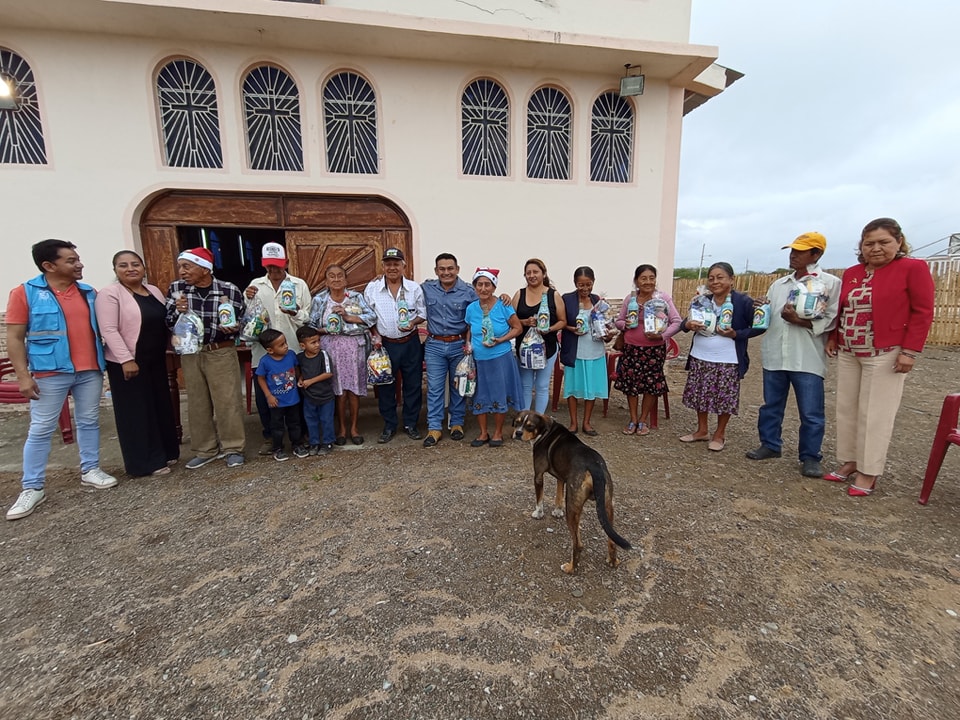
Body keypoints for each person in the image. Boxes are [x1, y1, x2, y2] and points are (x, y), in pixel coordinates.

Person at [5, 240, 117, 521]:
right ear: (49, 265)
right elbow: (14, 338)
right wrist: (23, 376)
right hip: (50, 372)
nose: (79, 264)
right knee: (41, 428)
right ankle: (32, 487)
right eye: (71, 260)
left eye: (77, 259)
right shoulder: (25, 293)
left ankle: (90, 469)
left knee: (89, 420)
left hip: (89, 370)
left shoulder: (88, 293)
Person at [824, 218, 935, 496]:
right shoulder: (853, 273)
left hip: (885, 351)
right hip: (850, 349)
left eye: (883, 242)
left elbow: (922, 312)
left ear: (899, 242)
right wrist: (834, 336)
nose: (875, 248)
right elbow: (844, 308)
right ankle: (850, 460)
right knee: (847, 408)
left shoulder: (912, 268)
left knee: (875, 412)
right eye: (869, 243)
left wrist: (910, 351)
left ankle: (868, 470)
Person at [745, 233, 841, 478]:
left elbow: (832, 320)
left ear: (816, 254)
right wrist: (761, 308)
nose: (793, 255)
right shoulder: (779, 285)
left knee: (811, 412)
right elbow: (769, 317)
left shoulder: (830, 284)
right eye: (792, 250)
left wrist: (799, 321)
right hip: (776, 353)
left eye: (800, 251)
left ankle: (810, 456)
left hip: (806, 356)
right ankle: (770, 444)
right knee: (771, 405)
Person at [94, 250, 180, 477]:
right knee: (137, 411)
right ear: (115, 270)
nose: (130, 269)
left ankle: (166, 451)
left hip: (156, 358)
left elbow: (164, 321)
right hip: (129, 361)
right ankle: (145, 462)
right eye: (123, 265)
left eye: (135, 264)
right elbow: (109, 330)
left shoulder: (153, 291)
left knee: (159, 406)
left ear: (143, 268)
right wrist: (126, 359)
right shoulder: (110, 294)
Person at [165, 247, 247, 469]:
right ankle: (205, 449)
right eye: (180, 267)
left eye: (187, 266)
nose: (182, 271)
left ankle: (233, 448)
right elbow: (168, 321)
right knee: (197, 401)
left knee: (228, 401)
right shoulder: (177, 289)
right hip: (191, 353)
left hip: (220, 351)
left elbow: (243, 320)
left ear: (205, 269)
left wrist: (234, 328)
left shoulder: (228, 289)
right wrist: (177, 311)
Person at [678, 262, 763, 452]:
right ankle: (702, 430)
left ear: (731, 280)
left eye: (720, 277)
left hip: (728, 359)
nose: (715, 282)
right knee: (700, 394)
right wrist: (688, 325)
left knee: (724, 397)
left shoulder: (743, 302)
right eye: (711, 278)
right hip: (700, 356)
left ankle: (719, 434)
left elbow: (759, 326)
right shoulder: (702, 300)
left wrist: (737, 334)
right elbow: (685, 323)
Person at [244, 242, 311, 456]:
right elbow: (249, 317)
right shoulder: (255, 285)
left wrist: (294, 312)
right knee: (266, 398)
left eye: (277, 265)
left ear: (287, 263)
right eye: (269, 266)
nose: (273, 270)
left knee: (296, 394)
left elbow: (307, 317)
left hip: (292, 348)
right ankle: (271, 437)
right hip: (264, 352)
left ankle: (299, 436)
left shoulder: (299, 285)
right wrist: (247, 298)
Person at [364, 247, 427, 443]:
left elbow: (422, 314)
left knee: (413, 385)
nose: (392, 267)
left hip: (410, 343)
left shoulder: (414, 288)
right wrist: (375, 335)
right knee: (385, 386)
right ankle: (389, 425)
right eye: (388, 264)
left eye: (396, 264)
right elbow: (368, 317)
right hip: (385, 345)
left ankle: (410, 424)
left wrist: (413, 323)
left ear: (403, 266)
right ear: (383, 266)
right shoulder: (372, 288)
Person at [310, 264, 376, 445]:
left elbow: (371, 318)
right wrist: (328, 329)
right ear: (326, 281)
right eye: (331, 276)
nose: (336, 279)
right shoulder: (320, 299)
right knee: (338, 390)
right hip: (331, 348)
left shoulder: (355, 297)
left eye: (340, 275)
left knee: (353, 390)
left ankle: (354, 428)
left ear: (346, 280)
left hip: (354, 348)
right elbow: (311, 324)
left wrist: (348, 317)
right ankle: (341, 429)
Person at [613, 264, 682, 436]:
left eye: (652, 278)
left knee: (651, 385)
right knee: (631, 385)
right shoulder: (631, 299)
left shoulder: (663, 298)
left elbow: (677, 322)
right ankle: (633, 419)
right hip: (632, 349)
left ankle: (643, 420)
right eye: (643, 278)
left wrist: (662, 336)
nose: (648, 282)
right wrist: (625, 324)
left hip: (654, 350)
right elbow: (619, 321)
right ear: (636, 281)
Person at [421, 252, 477, 447]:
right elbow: (405, 290)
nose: (446, 272)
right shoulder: (426, 288)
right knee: (434, 388)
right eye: (442, 269)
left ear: (457, 269)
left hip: (459, 345)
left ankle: (456, 423)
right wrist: (380, 280)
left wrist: (503, 297)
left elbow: (480, 310)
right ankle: (434, 427)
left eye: (450, 268)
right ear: (436, 271)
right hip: (434, 345)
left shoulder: (469, 291)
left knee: (459, 385)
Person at [463, 268, 524, 447]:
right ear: (474, 287)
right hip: (478, 359)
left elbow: (518, 328)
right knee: (479, 394)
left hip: (500, 358)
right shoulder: (471, 308)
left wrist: (501, 340)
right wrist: (468, 344)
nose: (483, 288)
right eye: (479, 284)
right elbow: (469, 329)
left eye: (487, 285)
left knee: (499, 394)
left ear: (494, 287)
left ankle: (497, 432)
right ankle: (483, 433)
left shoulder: (503, 305)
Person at [559, 266, 612, 436]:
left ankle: (587, 422)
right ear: (575, 283)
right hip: (574, 351)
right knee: (572, 387)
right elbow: (560, 322)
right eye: (581, 284)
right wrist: (571, 328)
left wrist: (608, 334)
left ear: (593, 282)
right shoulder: (567, 299)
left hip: (594, 350)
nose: (585, 288)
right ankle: (573, 423)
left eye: (588, 284)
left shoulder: (598, 301)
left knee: (591, 387)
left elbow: (605, 324)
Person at [510, 258, 567, 415]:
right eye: (528, 273)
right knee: (525, 385)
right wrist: (525, 322)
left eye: (535, 272)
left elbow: (563, 321)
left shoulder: (553, 295)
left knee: (542, 385)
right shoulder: (519, 294)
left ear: (543, 273)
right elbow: (511, 320)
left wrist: (549, 329)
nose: (532, 275)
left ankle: (538, 420)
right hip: (524, 350)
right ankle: (524, 419)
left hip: (548, 348)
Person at [255, 328, 307, 462]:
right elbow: (260, 378)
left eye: (285, 342)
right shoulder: (265, 361)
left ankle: (297, 445)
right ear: (270, 350)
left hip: (293, 399)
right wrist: (268, 396)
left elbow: (296, 369)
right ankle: (277, 448)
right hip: (276, 401)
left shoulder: (291, 355)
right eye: (281, 345)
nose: (286, 346)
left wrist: (300, 378)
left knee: (295, 423)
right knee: (277, 427)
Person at [295, 325, 336, 456]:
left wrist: (310, 381)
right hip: (309, 396)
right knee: (311, 420)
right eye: (313, 342)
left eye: (318, 341)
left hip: (325, 396)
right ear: (303, 346)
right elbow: (301, 372)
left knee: (326, 419)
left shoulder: (323, 355)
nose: (317, 345)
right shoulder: (300, 357)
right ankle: (314, 443)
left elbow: (328, 373)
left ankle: (327, 442)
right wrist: (301, 379)